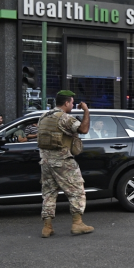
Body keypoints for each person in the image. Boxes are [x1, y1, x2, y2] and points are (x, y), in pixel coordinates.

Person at [38, 90, 93, 238]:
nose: (73, 105)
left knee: (49, 194)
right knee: (76, 190)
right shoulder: (64, 118)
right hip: (62, 162)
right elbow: (83, 129)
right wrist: (86, 111)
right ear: (66, 103)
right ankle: (77, 223)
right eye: (72, 102)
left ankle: (47, 227)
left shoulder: (43, 116)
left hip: (45, 162)